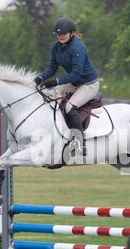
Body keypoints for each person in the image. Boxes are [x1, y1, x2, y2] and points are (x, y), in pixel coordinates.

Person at [34, 17, 99, 156]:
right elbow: (52, 68)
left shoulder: (77, 48)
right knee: (50, 95)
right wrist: (40, 78)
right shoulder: (56, 46)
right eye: (58, 34)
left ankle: (81, 142)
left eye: (63, 34)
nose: (61, 36)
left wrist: (56, 81)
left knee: (70, 107)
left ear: (71, 33)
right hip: (75, 83)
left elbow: (76, 74)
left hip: (89, 84)